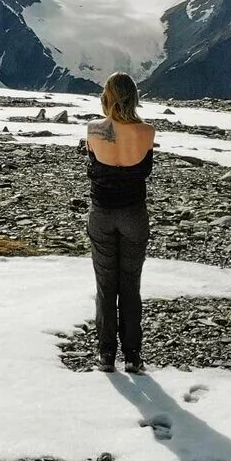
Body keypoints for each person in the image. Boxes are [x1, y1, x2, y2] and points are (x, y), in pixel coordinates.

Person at [85, 72, 155, 374]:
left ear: (107, 97)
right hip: (133, 214)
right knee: (130, 284)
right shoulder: (147, 132)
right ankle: (132, 355)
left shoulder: (94, 130)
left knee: (105, 285)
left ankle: (106, 355)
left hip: (101, 214)